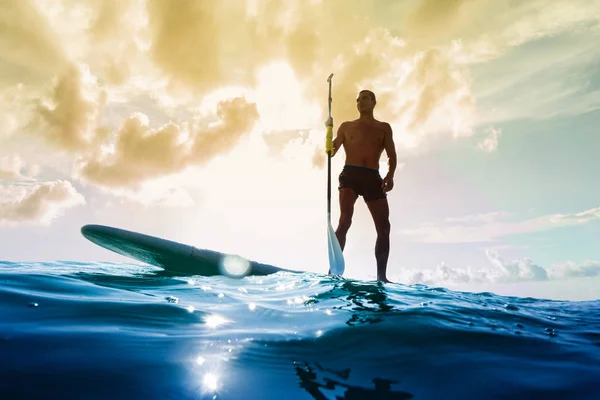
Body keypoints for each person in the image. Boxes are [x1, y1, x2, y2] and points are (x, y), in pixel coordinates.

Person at [330, 89, 397, 283]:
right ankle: (332, 271)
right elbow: (331, 151)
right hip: (350, 174)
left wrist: (390, 175)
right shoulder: (346, 127)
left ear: (374, 102)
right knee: (345, 221)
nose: (360, 102)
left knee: (384, 227)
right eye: (357, 100)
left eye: (365, 98)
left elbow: (392, 155)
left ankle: (382, 277)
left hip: (372, 177)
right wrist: (328, 135)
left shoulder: (384, 128)